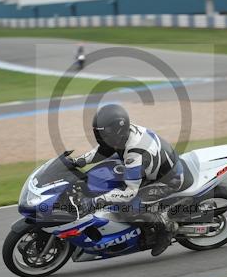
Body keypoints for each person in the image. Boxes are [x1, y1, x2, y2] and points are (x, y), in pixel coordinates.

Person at [70, 104, 184, 256]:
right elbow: (104, 151)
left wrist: (97, 200)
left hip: (168, 181)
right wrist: (78, 161)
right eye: (99, 134)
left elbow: (130, 192)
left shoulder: (134, 153)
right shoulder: (121, 136)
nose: (100, 138)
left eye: (104, 134)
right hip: (151, 168)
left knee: (128, 209)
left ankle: (166, 228)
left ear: (117, 131)